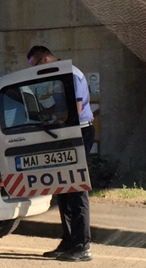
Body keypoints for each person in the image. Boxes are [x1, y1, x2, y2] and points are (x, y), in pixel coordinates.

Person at [27, 45, 95, 262]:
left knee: (76, 188)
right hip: (65, 133)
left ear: (45, 59)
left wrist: (57, 123)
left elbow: (75, 109)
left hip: (77, 132)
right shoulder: (58, 77)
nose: (35, 70)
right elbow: (59, 107)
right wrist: (38, 115)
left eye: (35, 65)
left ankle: (82, 246)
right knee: (63, 189)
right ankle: (69, 241)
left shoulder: (70, 74)